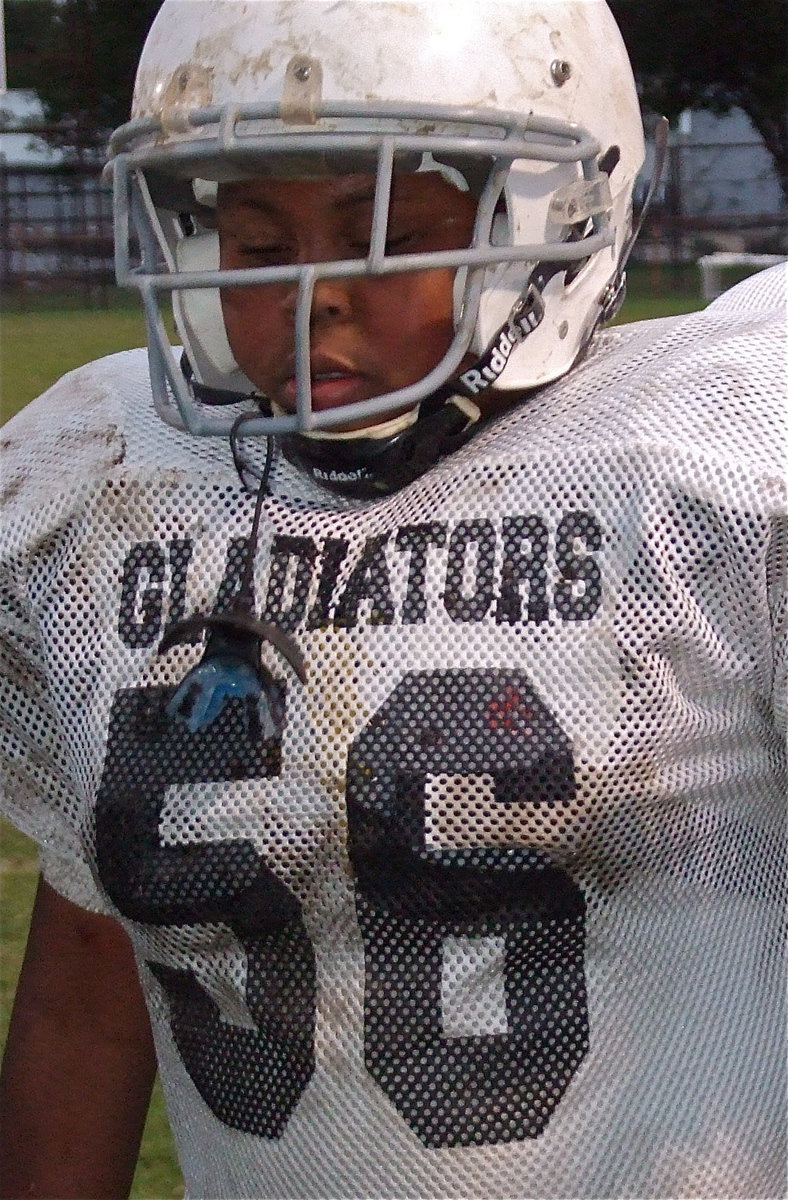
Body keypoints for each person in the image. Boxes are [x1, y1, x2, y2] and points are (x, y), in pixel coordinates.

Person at [0, 1, 785, 1197]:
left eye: (391, 232)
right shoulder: (110, 490)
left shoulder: (711, 470)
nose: (313, 292)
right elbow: (94, 978)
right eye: (259, 246)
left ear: (554, 221)